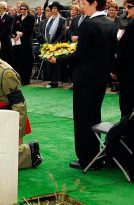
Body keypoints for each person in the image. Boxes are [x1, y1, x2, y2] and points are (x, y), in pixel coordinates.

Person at [48, 0, 117, 170]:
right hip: (100, 79)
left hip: (85, 80)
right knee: (94, 117)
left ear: (94, 3)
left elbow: (80, 54)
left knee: (82, 120)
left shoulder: (88, 24)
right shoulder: (110, 24)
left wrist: (58, 59)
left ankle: (86, 158)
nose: (81, 6)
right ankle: (95, 156)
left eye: (84, 2)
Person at [0, 33, 42, 169]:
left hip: (4, 120)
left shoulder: (5, 72)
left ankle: (29, 151)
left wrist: (17, 131)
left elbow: (19, 104)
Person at [111, 0, 134, 117]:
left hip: (129, 73)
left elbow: (123, 51)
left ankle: (125, 133)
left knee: (126, 105)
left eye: (129, 7)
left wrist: (115, 69)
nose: (126, 9)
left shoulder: (131, 27)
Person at [43, 1, 66, 88]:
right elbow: (45, 32)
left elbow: (63, 33)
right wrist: (47, 42)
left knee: (55, 62)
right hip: (48, 44)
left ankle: (55, 81)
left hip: (57, 45)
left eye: (55, 8)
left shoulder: (62, 20)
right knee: (49, 63)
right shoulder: (49, 20)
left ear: (58, 10)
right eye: (52, 8)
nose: (53, 10)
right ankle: (51, 80)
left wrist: (54, 44)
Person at [12, 2, 35, 85]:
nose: (23, 10)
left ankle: (26, 80)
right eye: (21, 9)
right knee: (18, 60)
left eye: (24, 9)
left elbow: (30, 29)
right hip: (18, 42)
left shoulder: (31, 18)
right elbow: (13, 28)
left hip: (26, 42)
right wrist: (16, 33)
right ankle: (19, 78)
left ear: (27, 9)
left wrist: (21, 33)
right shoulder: (17, 17)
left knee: (26, 60)